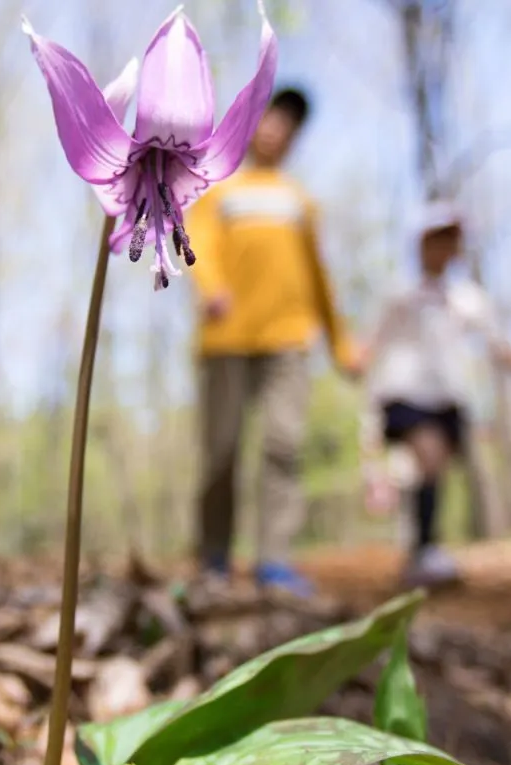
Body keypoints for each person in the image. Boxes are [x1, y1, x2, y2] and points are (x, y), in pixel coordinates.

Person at [184, 87, 361, 596]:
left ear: (294, 138)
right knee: (222, 450)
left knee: (284, 445)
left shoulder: (300, 201)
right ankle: (213, 556)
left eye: (287, 124)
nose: (274, 130)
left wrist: (341, 345)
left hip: (289, 340)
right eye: (268, 119)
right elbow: (197, 242)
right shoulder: (218, 189)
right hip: (228, 337)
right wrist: (212, 287)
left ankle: (274, 560)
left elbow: (319, 278)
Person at [356, 200, 511, 588]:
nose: (444, 248)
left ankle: (418, 544)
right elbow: (371, 341)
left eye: (452, 240)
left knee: (431, 470)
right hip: (404, 393)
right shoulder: (399, 293)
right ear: (420, 244)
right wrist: (356, 366)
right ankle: (425, 549)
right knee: (429, 456)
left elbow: (499, 346)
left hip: (448, 397)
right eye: (437, 238)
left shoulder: (468, 298)